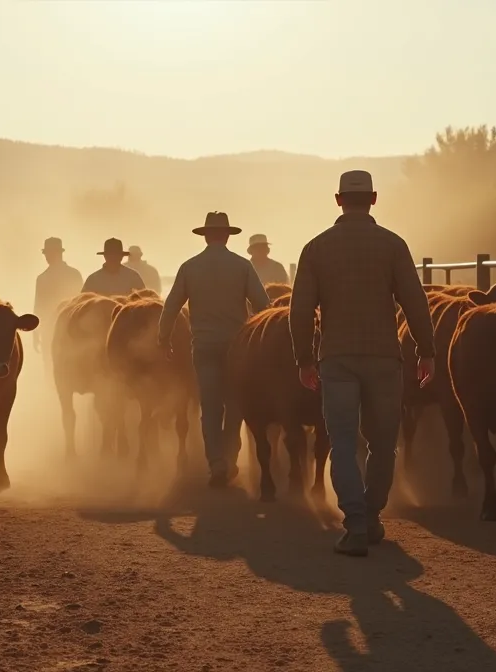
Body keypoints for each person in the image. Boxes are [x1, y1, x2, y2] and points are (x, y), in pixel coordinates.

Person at [289, 169, 434, 558]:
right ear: (373, 199)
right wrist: (427, 350)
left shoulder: (316, 248)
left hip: (336, 357)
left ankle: (354, 523)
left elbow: (299, 310)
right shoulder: (392, 245)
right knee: (384, 443)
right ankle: (371, 515)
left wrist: (303, 358)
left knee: (342, 441)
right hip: (385, 357)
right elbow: (415, 303)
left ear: (338, 200)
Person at [159, 212, 270, 487]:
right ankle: (231, 459)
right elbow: (263, 306)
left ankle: (216, 463)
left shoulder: (190, 267)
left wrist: (164, 338)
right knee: (234, 405)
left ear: (206, 236)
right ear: (228, 235)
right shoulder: (242, 266)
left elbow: (171, 306)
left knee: (209, 406)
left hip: (204, 345)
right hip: (236, 348)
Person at [33, 236, 83, 358]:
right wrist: (36, 331)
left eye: (50, 253)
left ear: (59, 253)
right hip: (53, 328)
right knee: (52, 361)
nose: (47, 256)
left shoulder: (72, 275)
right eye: (46, 253)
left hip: (70, 328)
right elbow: (39, 306)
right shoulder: (43, 278)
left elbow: (81, 301)